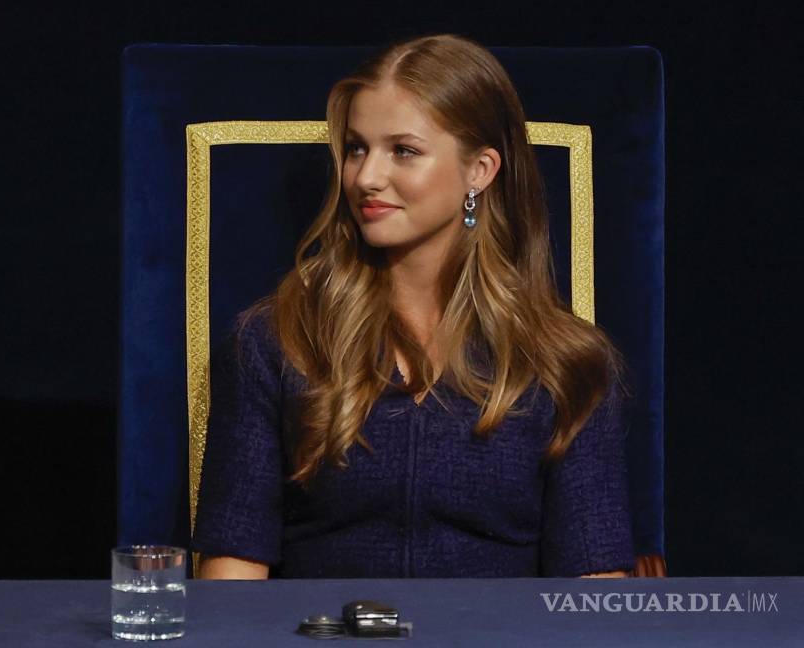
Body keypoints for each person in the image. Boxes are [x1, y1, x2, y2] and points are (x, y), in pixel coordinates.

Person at [191, 33, 636, 579]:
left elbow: (593, 595)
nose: (366, 178)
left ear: (480, 170)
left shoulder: (565, 362)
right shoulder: (276, 339)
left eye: (403, 151)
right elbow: (233, 579)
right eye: (357, 148)